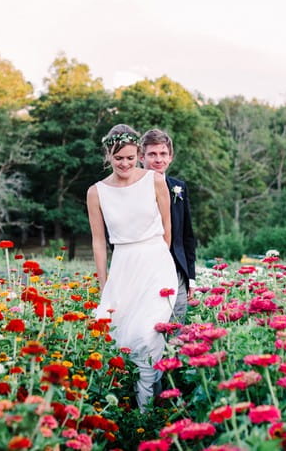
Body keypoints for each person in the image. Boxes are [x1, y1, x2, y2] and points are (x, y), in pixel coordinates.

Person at [87, 124, 178, 410]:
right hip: (123, 266)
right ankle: (121, 408)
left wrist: (159, 258)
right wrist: (105, 287)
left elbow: (167, 227)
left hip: (155, 263)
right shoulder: (96, 192)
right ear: (108, 156)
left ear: (137, 153)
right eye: (118, 159)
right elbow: (99, 243)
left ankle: (146, 410)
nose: (124, 164)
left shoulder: (155, 180)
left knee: (147, 332)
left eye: (129, 157)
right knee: (117, 334)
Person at [140, 129, 196, 322]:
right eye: (152, 154)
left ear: (170, 157)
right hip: (143, 270)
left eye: (163, 154)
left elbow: (187, 235)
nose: (158, 159)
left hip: (176, 268)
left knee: (176, 326)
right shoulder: (131, 189)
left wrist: (191, 277)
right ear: (141, 157)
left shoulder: (178, 187)